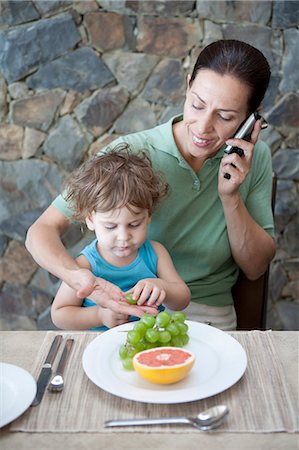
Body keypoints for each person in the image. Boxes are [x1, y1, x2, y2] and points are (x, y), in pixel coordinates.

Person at [26, 39, 276, 330]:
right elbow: (40, 231)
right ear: (187, 85)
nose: (203, 127)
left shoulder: (253, 159)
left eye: (225, 116)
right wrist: (77, 277)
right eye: (197, 104)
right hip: (131, 309)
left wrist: (230, 197)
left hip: (207, 311)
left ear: (251, 117)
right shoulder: (129, 154)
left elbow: (256, 267)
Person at [50, 146, 191, 330]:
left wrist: (162, 287)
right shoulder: (86, 265)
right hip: (99, 346)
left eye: (134, 224)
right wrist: (100, 315)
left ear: (148, 216)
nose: (124, 237)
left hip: (148, 345)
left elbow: (183, 299)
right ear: (91, 220)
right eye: (110, 226)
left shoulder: (155, 253)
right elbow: (60, 314)